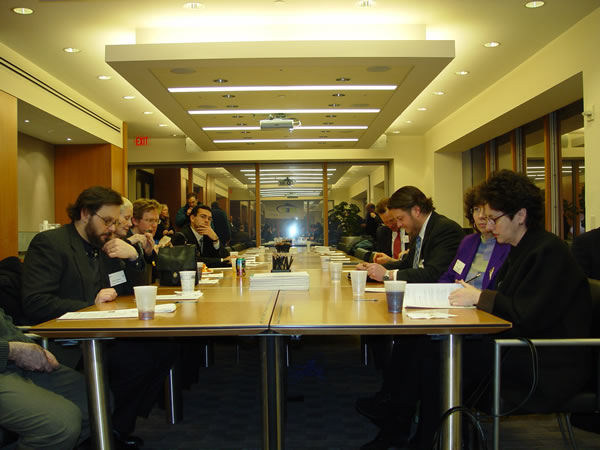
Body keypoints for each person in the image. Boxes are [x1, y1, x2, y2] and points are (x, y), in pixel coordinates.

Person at [367, 170, 592, 450]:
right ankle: (416, 434)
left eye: (494, 218)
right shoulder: (521, 247)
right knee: (423, 350)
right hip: (516, 344)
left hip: (542, 360)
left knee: (434, 358)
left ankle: (425, 438)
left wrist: (479, 297)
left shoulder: (547, 251)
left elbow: (526, 314)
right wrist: (479, 298)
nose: (488, 225)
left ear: (520, 215)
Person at [21, 186, 175, 449]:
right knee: (138, 362)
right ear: (84, 214)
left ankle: (115, 426)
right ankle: (101, 431)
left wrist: (134, 258)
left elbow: (129, 290)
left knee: (165, 348)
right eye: (107, 221)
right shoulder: (51, 244)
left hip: (105, 330)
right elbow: (35, 302)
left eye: (115, 222)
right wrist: (89, 305)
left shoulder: (104, 244)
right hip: (67, 339)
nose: (113, 228)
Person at [0, 307, 89, 449]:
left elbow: (5, 326)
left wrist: (33, 349)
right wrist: (12, 351)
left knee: (95, 402)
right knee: (59, 424)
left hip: (13, 361)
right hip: (8, 357)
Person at [361, 186, 464, 283]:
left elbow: (434, 273)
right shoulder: (417, 231)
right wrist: (371, 270)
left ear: (416, 211)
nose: (399, 224)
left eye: (400, 218)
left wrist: (388, 275)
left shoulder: (445, 229)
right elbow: (407, 264)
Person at [437, 185, 511, 289]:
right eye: (476, 209)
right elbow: (449, 276)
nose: (481, 216)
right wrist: (446, 290)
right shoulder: (468, 242)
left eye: (485, 210)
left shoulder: (507, 244)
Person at [370, 197, 409, 266]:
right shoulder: (382, 232)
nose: (389, 225)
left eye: (391, 220)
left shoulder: (411, 229)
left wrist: (391, 261)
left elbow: (413, 264)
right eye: (385, 222)